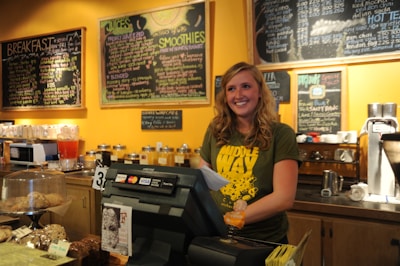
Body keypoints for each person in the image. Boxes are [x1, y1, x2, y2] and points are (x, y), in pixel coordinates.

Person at [199, 62, 300, 244]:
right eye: (231, 89)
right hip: (219, 236)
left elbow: (283, 199)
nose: (238, 95)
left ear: (260, 91)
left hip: (262, 241)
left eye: (246, 86)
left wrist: (232, 219)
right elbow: (202, 181)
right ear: (225, 96)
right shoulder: (216, 129)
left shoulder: (281, 134)